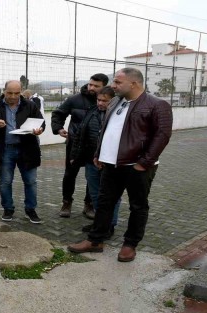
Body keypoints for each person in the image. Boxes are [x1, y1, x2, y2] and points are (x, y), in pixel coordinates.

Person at [67, 68, 173, 262]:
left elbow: (162, 136)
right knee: (105, 202)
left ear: (134, 83)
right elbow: (106, 130)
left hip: (137, 166)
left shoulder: (157, 105)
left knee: (138, 206)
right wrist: (100, 153)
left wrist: (144, 163)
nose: (113, 85)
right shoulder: (116, 101)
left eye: (117, 82)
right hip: (111, 164)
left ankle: (130, 244)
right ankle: (96, 240)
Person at [0, 80, 45, 223]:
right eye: (10, 93)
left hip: (27, 149)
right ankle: (8, 209)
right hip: (5, 150)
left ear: (21, 91)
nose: (13, 96)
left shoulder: (30, 105)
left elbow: (41, 123)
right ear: (4, 91)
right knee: (5, 182)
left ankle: (30, 210)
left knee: (31, 182)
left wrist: (39, 130)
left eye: (16, 93)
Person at [51, 73, 109, 219]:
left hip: (95, 146)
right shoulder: (74, 99)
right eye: (90, 84)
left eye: (96, 86)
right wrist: (59, 128)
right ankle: (66, 203)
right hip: (75, 144)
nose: (91, 87)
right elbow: (58, 114)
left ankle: (89, 204)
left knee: (93, 176)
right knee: (70, 175)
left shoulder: (107, 101)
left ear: (104, 87)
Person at [69, 86, 121, 234]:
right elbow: (80, 134)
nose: (100, 103)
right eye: (99, 99)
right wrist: (74, 156)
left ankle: (109, 225)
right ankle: (100, 223)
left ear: (113, 101)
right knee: (95, 194)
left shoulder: (118, 115)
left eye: (105, 101)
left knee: (112, 196)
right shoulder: (92, 112)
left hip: (111, 163)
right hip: (90, 161)